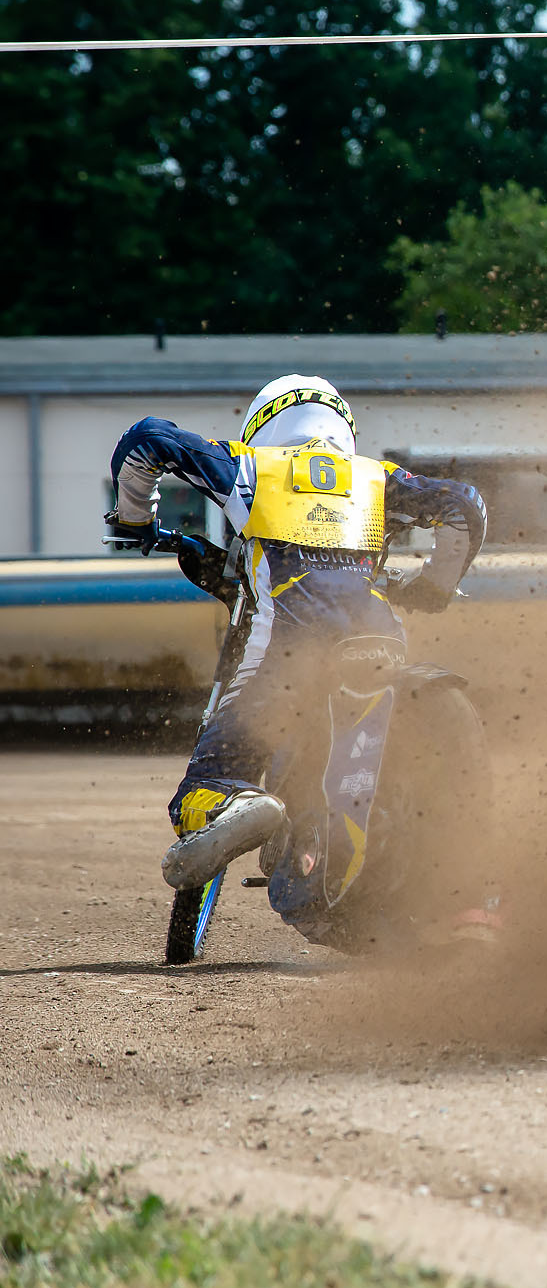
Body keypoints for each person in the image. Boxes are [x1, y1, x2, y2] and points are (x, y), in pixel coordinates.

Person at [103, 375, 488, 935]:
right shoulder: (375, 478)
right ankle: (467, 898)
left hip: (290, 646)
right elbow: (466, 507)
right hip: (381, 639)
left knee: (207, 779)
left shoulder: (251, 467)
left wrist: (135, 518)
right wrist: (435, 588)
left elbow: (146, 439)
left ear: (265, 426)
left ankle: (238, 801)